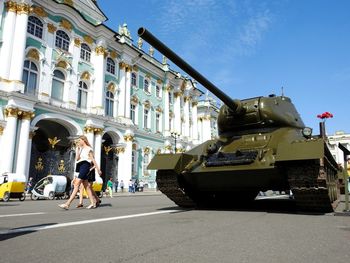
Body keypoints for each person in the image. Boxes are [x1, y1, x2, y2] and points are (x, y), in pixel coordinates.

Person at [59, 135, 102, 210]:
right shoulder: (81, 149)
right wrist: (78, 149)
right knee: (87, 186)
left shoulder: (89, 149)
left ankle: (67, 204)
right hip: (81, 166)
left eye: (79, 140)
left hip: (85, 166)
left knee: (76, 184)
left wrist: (98, 169)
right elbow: (77, 158)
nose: (78, 142)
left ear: (83, 140)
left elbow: (93, 160)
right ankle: (92, 203)